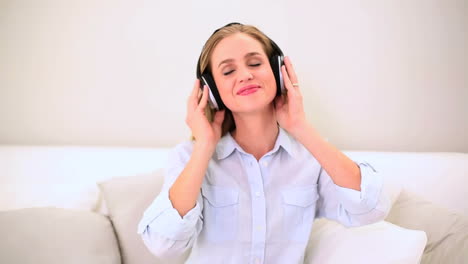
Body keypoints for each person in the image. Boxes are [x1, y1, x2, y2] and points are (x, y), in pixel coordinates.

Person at [137, 22, 390, 264]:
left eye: (255, 63)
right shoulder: (189, 156)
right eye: (228, 71)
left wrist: (300, 126)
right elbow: (162, 244)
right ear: (212, 91)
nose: (245, 75)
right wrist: (205, 146)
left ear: (278, 72)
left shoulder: (311, 156)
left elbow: (370, 209)